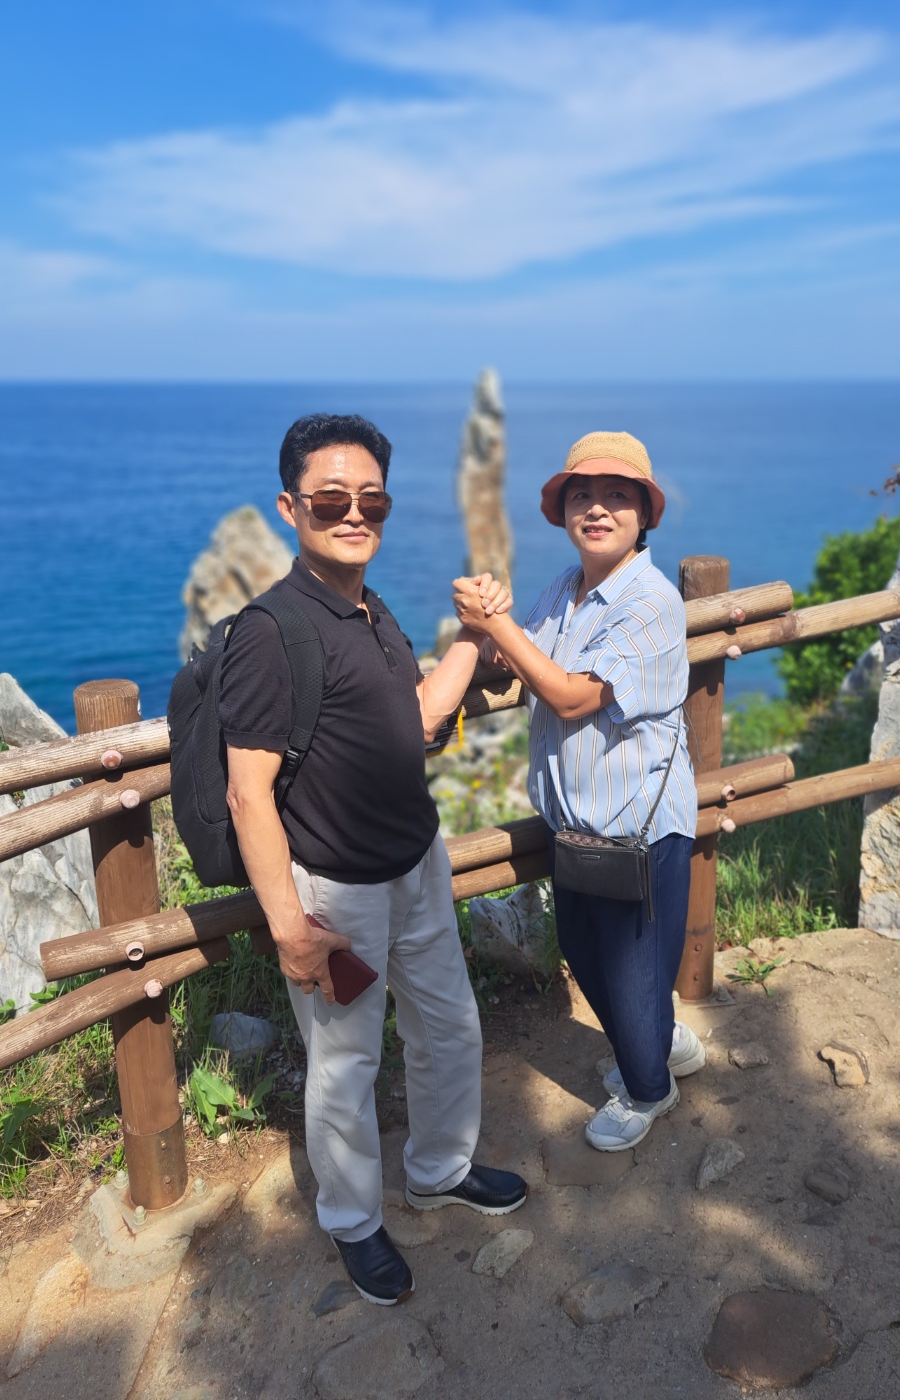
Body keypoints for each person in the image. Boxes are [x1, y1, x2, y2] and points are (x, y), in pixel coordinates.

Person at [219, 413, 527, 1306]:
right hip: (336, 890)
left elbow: (418, 719)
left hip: (416, 863)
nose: (354, 514)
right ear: (291, 508)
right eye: (330, 500)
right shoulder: (272, 632)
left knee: (450, 1025)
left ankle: (439, 1168)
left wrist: (473, 634)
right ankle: (353, 1220)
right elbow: (248, 794)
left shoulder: (369, 608)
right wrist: (290, 928)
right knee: (346, 1065)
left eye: (372, 500)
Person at [453, 430, 705, 1153]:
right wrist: (492, 628)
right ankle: (663, 1043)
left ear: (644, 515)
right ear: (563, 510)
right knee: (588, 952)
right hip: (579, 823)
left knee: (627, 971)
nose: (597, 508)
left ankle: (650, 1089)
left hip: (638, 827)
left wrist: (496, 624)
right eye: (582, 495)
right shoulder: (568, 589)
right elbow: (525, 656)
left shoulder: (650, 602)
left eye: (617, 496)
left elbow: (568, 695)